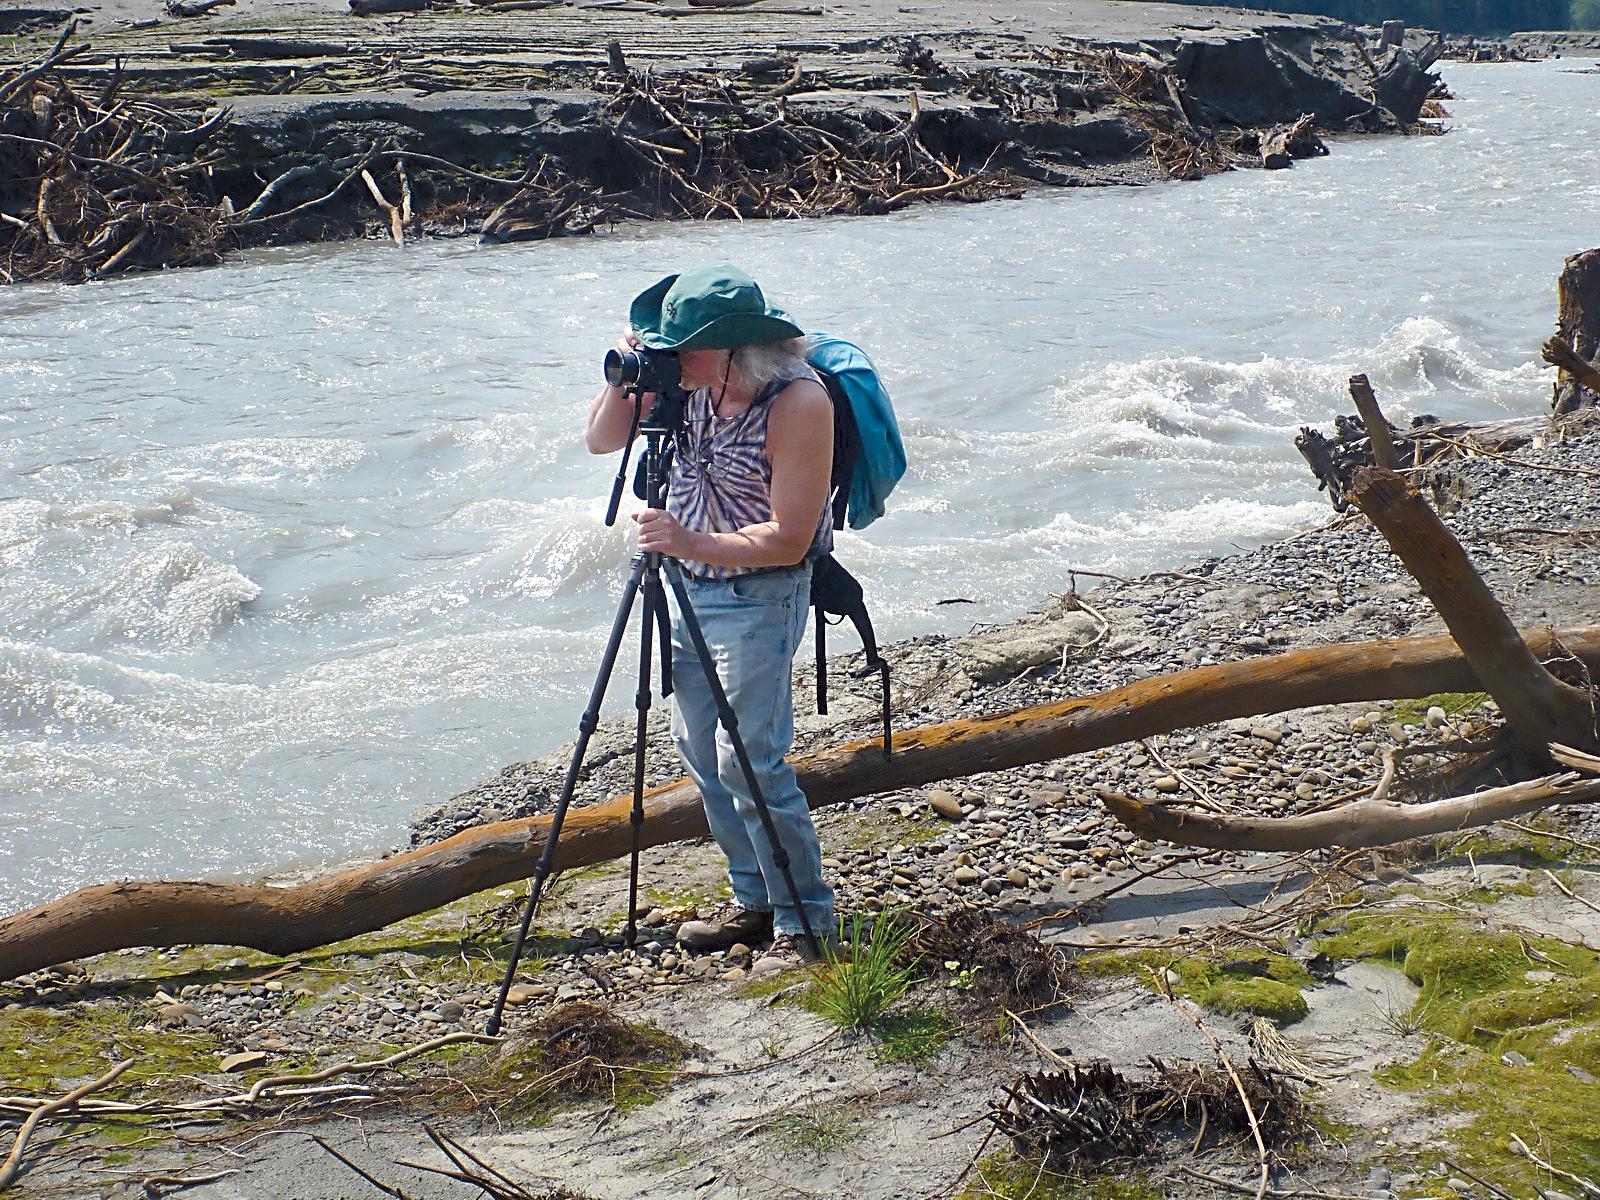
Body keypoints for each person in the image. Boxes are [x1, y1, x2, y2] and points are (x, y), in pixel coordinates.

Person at [584, 262, 839, 970]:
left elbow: (789, 535)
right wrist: (625, 374)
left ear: (731, 348)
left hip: (760, 595)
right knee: (701, 755)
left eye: (680, 346)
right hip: (689, 591)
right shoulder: (689, 385)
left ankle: (807, 924)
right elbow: (603, 441)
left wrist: (689, 540)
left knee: (749, 760)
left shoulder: (797, 403)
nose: (670, 358)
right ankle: (755, 902)